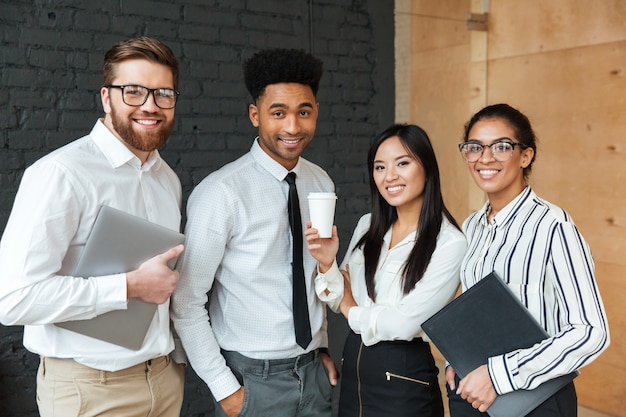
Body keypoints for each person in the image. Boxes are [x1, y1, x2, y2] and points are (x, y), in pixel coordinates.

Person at [0, 37, 186, 417]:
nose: (150, 105)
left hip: (164, 382)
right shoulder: (61, 174)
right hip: (89, 391)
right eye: (133, 91)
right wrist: (129, 286)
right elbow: (12, 299)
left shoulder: (168, 179)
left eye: (163, 93)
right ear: (106, 97)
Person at [171, 48, 337, 417]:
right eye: (278, 113)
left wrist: (321, 347)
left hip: (314, 376)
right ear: (255, 115)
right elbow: (185, 301)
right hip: (251, 381)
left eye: (303, 112)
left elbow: (316, 274)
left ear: (316, 113)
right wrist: (226, 390)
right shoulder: (221, 193)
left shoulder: (320, 181)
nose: (292, 127)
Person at [446, 103, 610, 416]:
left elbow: (590, 332)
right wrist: (459, 359)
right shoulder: (472, 226)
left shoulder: (553, 227)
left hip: (535, 402)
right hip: (476, 397)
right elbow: (476, 313)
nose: (485, 157)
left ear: (526, 156)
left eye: (501, 146)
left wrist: (499, 375)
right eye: (475, 147)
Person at [305, 124, 467, 417]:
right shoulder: (368, 225)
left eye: (402, 163)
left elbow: (404, 324)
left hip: (404, 376)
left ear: (427, 167)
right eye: (380, 167)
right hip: (355, 367)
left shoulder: (449, 243)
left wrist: (350, 307)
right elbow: (333, 295)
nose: (389, 176)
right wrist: (327, 262)